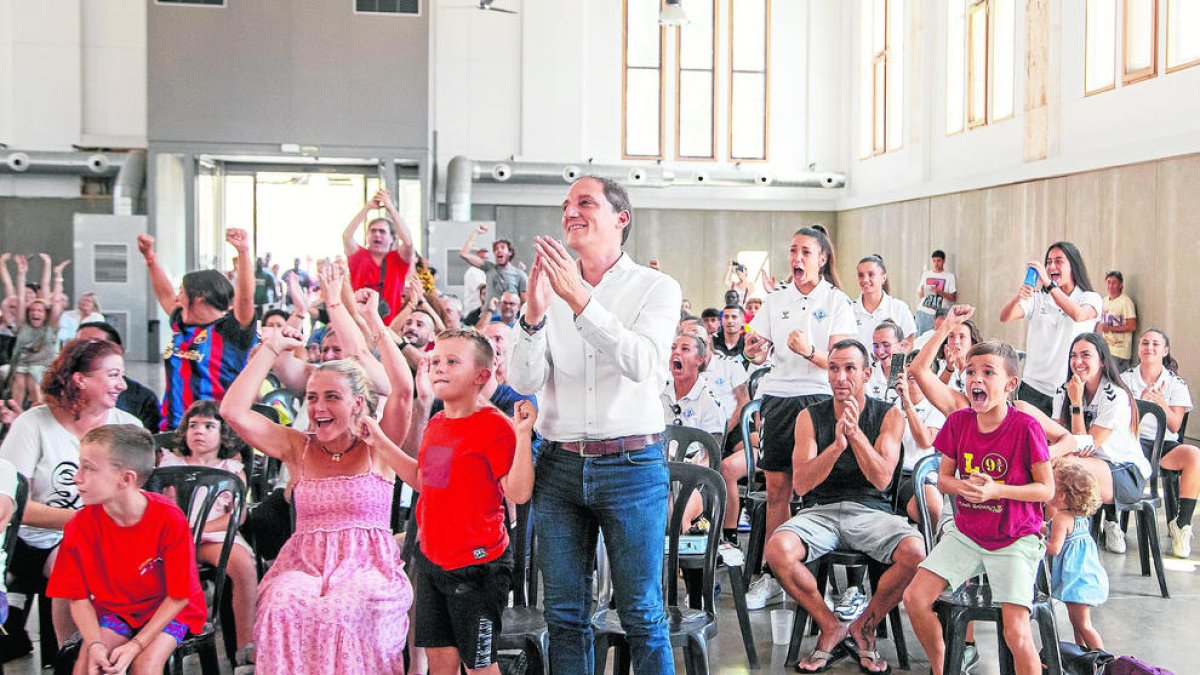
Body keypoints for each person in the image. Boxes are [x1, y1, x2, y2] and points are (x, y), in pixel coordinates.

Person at [507, 175, 680, 674]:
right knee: (563, 615)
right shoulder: (550, 289)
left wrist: (579, 299)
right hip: (559, 466)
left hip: (631, 466)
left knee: (642, 614)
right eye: (566, 205)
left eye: (585, 202)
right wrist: (535, 315)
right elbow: (523, 378)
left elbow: (642, 362)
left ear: (621, 218)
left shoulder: (655, 287)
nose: (570, 213)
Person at [220, 323, 414, 674]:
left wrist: (379, 331)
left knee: (342, 610)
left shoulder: (379, 444)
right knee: (280, 602)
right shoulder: (298, 446)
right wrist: (272, 348)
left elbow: (403, 392)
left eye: (331, 397)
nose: (318, 406)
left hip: (368, 565)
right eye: (311, 397)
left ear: (357, 404)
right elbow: (232, 412)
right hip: (305, 564)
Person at [764, 340, 925, 675]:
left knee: (916, 552)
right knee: (777, 550)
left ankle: (865, 626)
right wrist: (837, 445)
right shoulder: (809, 417)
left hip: (871, 511)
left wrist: (855, 436)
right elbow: (802, 485)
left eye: (850, 369)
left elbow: (882, 479)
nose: (840, 377)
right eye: (834, 368)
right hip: (819, 510)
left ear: (866, 374)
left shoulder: (889, 415)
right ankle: (830, 624)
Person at [903, 342, 1055, 675]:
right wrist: (962, 486)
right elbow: (943, 479)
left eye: (988, 372)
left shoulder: (1026, 427)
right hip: (968, 535)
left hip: (1014, 539)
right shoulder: (958, 423)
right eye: (971, 372)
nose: (977, 379)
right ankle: (945, 666)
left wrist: (996, 490)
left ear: (1010, 384)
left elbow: (1046, 488)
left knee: (1016, 632)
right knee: (915, 598)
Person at [393, 330, 532, 675]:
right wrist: (378, 441)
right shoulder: (438, 423)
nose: (439, 368)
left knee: (479, 667)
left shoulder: (494, 427)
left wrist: (524, 436)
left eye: (452, 362)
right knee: (440, 664)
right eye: (436, 361)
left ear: (481, 376)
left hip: (477, 569)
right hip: (433, 563)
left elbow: (517, 493)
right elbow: (426, 483)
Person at [0, 339, 141, 652]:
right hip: (38, 541)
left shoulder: (128, 427)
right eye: (114, 375)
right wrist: (83, 520)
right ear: (81, 379)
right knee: (79, 556)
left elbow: (138, 498)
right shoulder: (33, 424)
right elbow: (13, 505)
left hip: (114, 536)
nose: (122, 385)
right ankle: (74, 654)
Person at [742, 226, 855, 610]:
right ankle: (775, 576)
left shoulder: (837, 300)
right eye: (793, 251)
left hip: (820, 400)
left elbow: (842, 365)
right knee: (778, 491)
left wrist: (810, 352)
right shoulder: (776, 299)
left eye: (806, 251)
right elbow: (758, 351)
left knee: (819, 493)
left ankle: (817, 579)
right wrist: (754, 349)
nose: (797, 258)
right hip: (778, 399)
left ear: (822, 258)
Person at [47, 424, 207, 675]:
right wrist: (95, 644)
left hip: (175, 611)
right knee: (89, 665)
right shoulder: (79, 526)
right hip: (118, 610)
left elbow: (179, 597)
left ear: (126, 478)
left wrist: (135, 646)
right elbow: (77, 598)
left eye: (88, 468)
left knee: (145, 666)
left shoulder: (169, 519)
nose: (76, 477)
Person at [158, 400, 257, 669]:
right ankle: (165, 628)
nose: (199, 431)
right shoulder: (169, 463)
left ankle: (244, 645)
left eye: (208, 426)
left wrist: (200, 530)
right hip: (175, 537)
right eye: (193, 425)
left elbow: (238, 516)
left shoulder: (231, 469)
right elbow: (160, 505)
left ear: (223, 433)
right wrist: (182, 531)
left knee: (243, 565)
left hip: (215, 534)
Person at [138, 229, 257, 430]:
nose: (177, 298)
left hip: (217, 435)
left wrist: (243, 252)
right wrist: (150, 258)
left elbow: (245, 298)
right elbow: (165, 294)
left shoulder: (231, 330)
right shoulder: (182, 324)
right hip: (173, 431)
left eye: (182, 292)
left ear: (200, 296)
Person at [1052, 333, 1149, 554]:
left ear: (1102, 360)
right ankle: (1052, 532)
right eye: (1073, 356)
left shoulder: (1115, 394)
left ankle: (1073, 540)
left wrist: (1076, 403)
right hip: (1085, 467)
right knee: (1051, 465)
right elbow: (1055, 434)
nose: (1077, 362)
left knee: (1067, 466)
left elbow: (1084, 447)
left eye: (1085, 355)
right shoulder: (1063, 390)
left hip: (1124, 472)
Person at [1120, 329, 1200, 557]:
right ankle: (1113, 521)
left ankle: (1182, 525)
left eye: (1156, 344)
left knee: (1194, 455)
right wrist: (1140, 406)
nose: (1149, 348)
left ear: (1165, 351)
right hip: (1132, 442)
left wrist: (1160, 404)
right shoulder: (1124, 379)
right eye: (1145, 343)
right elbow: (1118, 422)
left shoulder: (1176, 383)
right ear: (1138, 348)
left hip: (1163, 444)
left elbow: (1175, 426)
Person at [1000, 241, 1102, 416]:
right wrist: (1019, 296)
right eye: (1048, 262)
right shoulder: (1039, 298)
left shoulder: (1090, 298)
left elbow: (1078, 315)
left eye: (1058, 261)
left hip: (1069, 389)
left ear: (1073, 266)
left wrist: (1049, 285)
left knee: (1063, 441)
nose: (1051, 266)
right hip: (1032, 387)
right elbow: (1005, 316)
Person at [1047, 457, 1108, 651]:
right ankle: (1082, 657)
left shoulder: (1060, 518)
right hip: (1084, 578)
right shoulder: (1079, 517)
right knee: (1077, 624)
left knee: (1083, 625)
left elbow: (1054, 548)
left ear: (1062, 495)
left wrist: (1036, 541)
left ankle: (1103, 661)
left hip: (1076, 582)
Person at [342, 189, 417, 324]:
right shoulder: (358, 256)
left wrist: (391, 209)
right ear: (367, 236)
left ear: (392, 239)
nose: (377, 235)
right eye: (373, 231)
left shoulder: (398, 260)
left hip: (390, 326)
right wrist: (367, 208)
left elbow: (408, 242)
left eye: (382, 232)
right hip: (359, 323)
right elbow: (347, 236)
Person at [77, 322, 162, 432]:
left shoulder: (142, 399)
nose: (84, 352)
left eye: (94, 346)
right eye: (78, 345)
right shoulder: (59, 394)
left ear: (117, 350)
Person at [896, 351, 947, 523]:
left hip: (918, 474)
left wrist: (907, 404)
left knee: (931, 506)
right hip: (891, 473)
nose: (911, 376)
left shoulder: (936, 407)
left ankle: (934, 545)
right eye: (908, 370)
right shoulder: (890, 403)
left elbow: (925, 441)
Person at [662, 334, 726, 437]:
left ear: (700, 360)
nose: (676, 352)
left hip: (694, 453)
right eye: (673, 348)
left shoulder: (709, 400)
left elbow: (712, 448)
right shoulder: (660, 391)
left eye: (685, 349)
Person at [852, 255, 916, 352]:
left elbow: (908, 343)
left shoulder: (899, 308)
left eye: (871, 274)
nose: (865, 280)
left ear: (883, 277)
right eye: (861, 275)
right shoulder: (849, 309)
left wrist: (894, 367)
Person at [459, 224, 528, 307]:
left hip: (510, 317)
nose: (499, 250)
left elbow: (525, 303)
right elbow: (464, 254)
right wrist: (476, 233)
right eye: (496, 249)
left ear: (510, 252)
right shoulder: (489, 268)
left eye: (502, 248)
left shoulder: (520, 275)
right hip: (490, 316)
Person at [1099, 270, 1137, 371]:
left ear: (1121, 285)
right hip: (1106, 349)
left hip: (1120, 352)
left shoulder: (1126, 302)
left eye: (1114, 282)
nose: (1111, 285)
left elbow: (1132, 326)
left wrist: (1111, 329)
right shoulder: (1104, 301)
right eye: (1108, 282)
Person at [915, 250, 957, 335]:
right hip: (924, 311)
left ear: (943, 261)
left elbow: (953, 298)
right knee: (920, 338)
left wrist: (940, 292)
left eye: (939, 261)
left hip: (941, 311)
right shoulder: (926, 275)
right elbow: (921, 295)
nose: (936, 264)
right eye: (934, 261)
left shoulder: (949, 276)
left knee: (937, 337)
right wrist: (923, 291)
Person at [462, 247, 489, 317]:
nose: (484, 260)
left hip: (481, 310)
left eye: (486, 258)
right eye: (482, 258)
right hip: (473, 310)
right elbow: (482, 286)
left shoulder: (484, 271)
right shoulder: (472, 271)